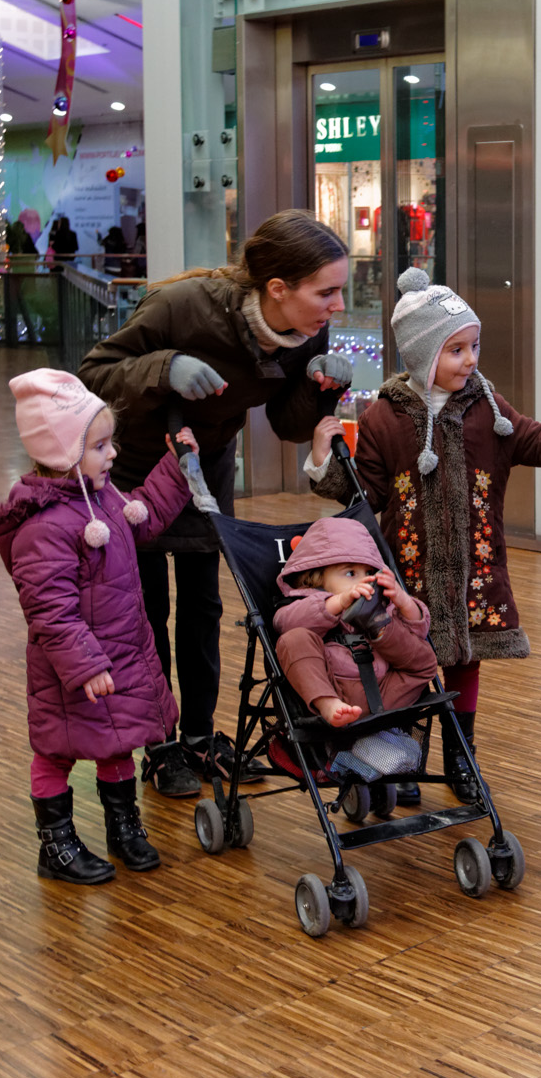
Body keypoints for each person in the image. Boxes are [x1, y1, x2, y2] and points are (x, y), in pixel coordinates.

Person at [310, 267, 541, 788]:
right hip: (407, 570)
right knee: (405, 659)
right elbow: (363, 496)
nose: (471, 360)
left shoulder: (488, 410)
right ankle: (402, 752)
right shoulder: (385, 418)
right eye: (456, 350)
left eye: (474, 346)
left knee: (463, 659)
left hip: (472, 571)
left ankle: (461, 753)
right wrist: (326, 463)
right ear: (422, 354)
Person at [79, 209, 348, 798]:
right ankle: (159, 743)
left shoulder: (308, 331)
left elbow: (286, 424)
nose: (338, 307)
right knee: (144, 614)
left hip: (203, 469)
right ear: (278, 289)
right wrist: (165, 368)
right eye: (326, 292)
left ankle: (200, 738)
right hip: (135, 472)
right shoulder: (184, 306)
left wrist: (319, 387)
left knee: (201, 608)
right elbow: (93, 374)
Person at [0, 371, 200, 884]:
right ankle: (55, 846)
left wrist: (176, 468)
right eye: (99, 446)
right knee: (56, 752)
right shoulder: (44, 528)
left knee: (117, 740)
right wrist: (84, 664)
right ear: (61, 452)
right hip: (73, 669)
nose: (112, 455)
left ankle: (123, 828)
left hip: (119, 653)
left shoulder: (100, 500)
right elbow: (49, 609)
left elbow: (142, 516)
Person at [272, 515, 439, 728]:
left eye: (369, 573)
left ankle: (378, 629)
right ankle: (328, 705)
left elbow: (418, 635)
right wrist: (338, 602)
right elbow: (284, 622)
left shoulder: (382, 603)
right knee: (293, 638)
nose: (363, 581)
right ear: (318, 577)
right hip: (333, 687)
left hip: (385, 691)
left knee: (425, 658)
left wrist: (403, 602)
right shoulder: (309, 600)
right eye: (350, 573)